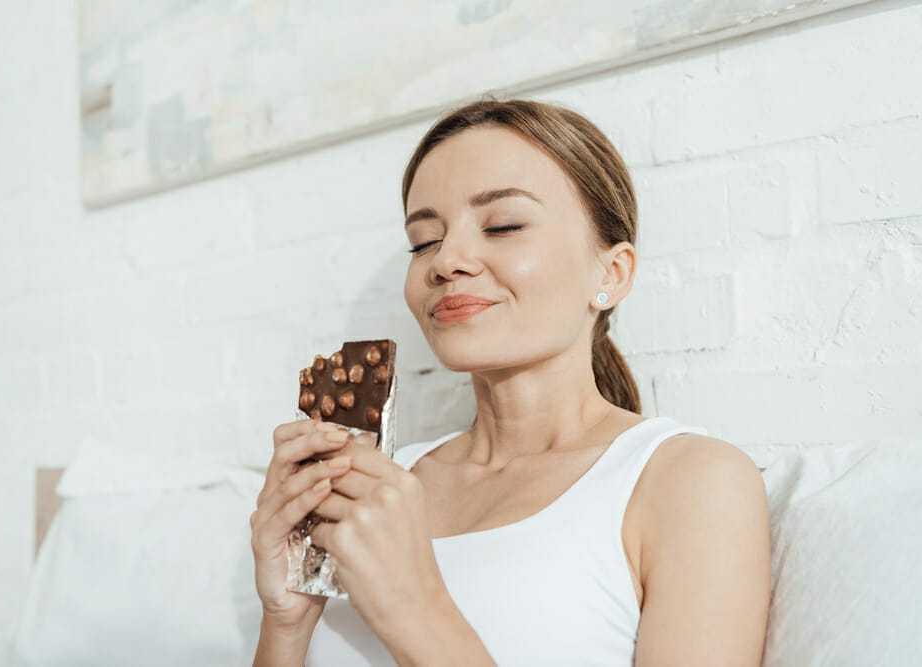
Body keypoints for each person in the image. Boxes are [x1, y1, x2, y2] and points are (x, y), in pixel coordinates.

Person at [249, 97, 771, 666]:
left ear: (611, 273)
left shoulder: (690, 482)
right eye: (424, 240)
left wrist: (413, 605)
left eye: (503, 225)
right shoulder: (378, 490)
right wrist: (287, 621)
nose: (446, 260)